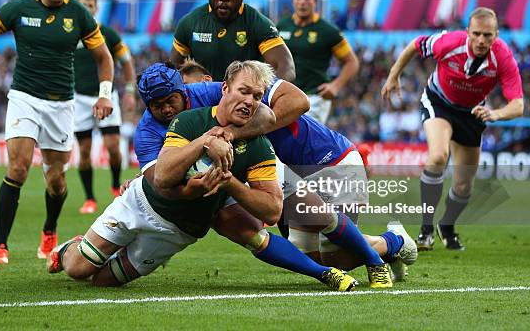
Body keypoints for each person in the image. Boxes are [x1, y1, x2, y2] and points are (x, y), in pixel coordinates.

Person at [48, 61, 357, 291]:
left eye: (171, 101)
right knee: (78, 270)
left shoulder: (217, 98)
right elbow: (161, 183)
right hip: (146, 204)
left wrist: (230, 138)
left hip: (181, 225)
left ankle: (359, 259)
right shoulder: (155, 130)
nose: (166, 110)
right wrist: (203, 153)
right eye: (157, 106)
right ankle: (69, 249)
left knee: (103, 281)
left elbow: (271, 114)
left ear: (185, 91)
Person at [180, 65, 414, 287]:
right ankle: (387, 247)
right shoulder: (209, 117)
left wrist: (233, 133)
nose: (187, 98)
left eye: (190, 90)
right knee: (321, 259)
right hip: (295, 176)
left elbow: (300, 102)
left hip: (332, 162)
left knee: (337, 255)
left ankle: (394, 241)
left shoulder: (250, 90)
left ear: (209, 83)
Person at [0, 0, 115, 264]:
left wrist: (104, 95)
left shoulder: (79, 15)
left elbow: (105, 58)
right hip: (25, 97)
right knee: (18, 168)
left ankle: (49, 231)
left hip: (62, 105)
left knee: (57, 180)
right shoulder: (19, 8)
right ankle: (0, 246)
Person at [382, 7, 524, 251]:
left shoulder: (503, 57)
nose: (481, 40)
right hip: (438, 102)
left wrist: (495, 114)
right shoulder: (449, 42)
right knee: (438, 157)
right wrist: (394, 75)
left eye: (488, 35)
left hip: (473, 113)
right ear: (467, 31)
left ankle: (446, 226)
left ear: (496, 35)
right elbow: (416, 44)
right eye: (476, 33)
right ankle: (426, 229)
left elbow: (518, 105)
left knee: (463, 186)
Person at [170, 0, 295, 82]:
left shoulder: (258, 23)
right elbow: (173, 69)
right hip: (205, 98)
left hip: (245, 100)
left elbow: (286, 66)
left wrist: (268, 96)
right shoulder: (189, 23)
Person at [74, 0, 136, 214]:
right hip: (79, 99)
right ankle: (89, 198)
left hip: (107, 96)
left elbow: (126, 62)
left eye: (90, 4)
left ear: (95, 8)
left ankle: (114, 184)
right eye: (82, 4)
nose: (86, 8)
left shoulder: (108, 34)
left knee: (113, 146)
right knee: (84, 150)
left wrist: (129, 91)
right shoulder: (70, 34)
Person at [276, 0, 359, 125]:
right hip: (286, 95)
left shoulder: (328, 31)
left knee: (303, 140)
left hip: (314, 98)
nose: (302, 2)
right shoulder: (281, 26)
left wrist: (335, 86)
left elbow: (352, 62)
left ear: (315, 1)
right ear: (293, 1)